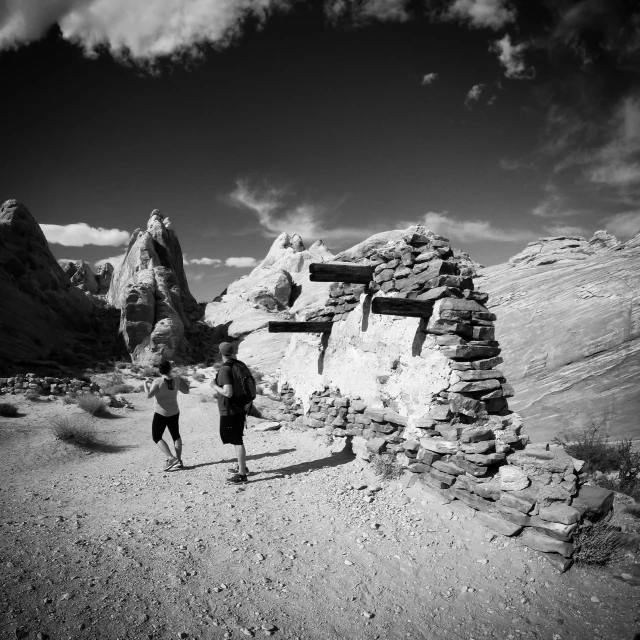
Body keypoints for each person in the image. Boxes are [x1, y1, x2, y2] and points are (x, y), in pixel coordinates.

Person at [211, 342, 250, 485]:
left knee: (237, 440)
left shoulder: (225, 369)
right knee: (236, 438)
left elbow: (228, 392)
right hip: (240, 407)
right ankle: (242, 466)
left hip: (231, 409)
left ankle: (242, 474)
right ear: (233, 352)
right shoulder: (239, 365)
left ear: (221, 353)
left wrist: (214, 386)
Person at [143, 360, 189, 471]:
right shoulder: (177, 380)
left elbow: (149, 395)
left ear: (160, 370)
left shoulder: (158, 381)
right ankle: (178, 460)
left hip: (161, 413)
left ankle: (171, 458)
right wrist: (184, 382)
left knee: (156, 436)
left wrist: (145, 383)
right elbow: (186, 391)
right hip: (174, 412)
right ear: (170, 368)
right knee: (176, 435)